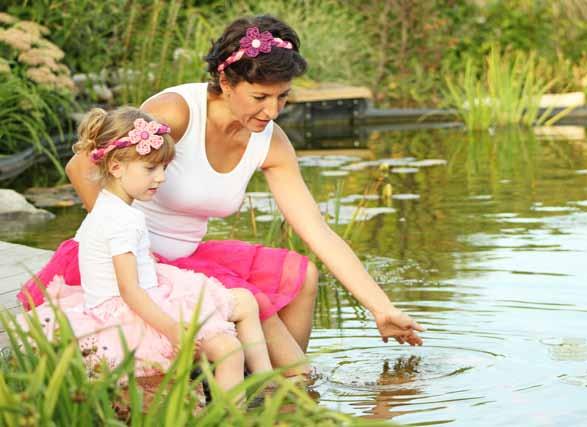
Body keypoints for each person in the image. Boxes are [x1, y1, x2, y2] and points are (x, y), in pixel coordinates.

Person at [18, 15, 423, 372]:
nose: (273, 111)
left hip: (188, 256)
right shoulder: (177, 111)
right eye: (260, 97)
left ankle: (273, 389)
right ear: (226, 81)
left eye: (283, 96)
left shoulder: (272, 143)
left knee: (301, 275)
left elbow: (317, 231)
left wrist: (381, 307)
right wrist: (135, 251)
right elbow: (82, 167)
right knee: (252, 303)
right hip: (133, 261)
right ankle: (288, 384)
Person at [18, 107, 276, 394]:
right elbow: (130, 290)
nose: (161, 177)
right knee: (228, 350)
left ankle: (267, 384)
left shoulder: (108, 207)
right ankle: (235, 414)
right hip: (131, 313)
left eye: (164, 167)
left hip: (145, 292)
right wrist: (172, 329)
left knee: (245, 301)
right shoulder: (121, 220)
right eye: (151, 168)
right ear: (116, 167)